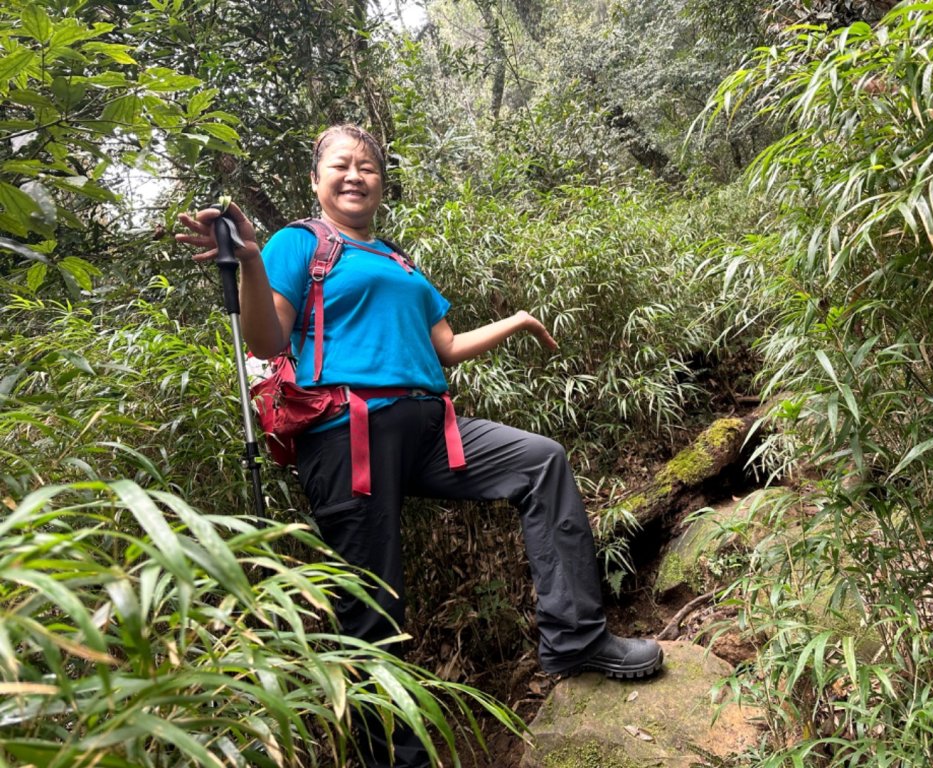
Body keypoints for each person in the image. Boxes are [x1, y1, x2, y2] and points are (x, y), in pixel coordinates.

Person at [177, 124, 663, 767]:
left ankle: (575, 640)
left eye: (368, 166)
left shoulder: (400, 261)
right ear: (316, 180)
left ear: (382, 181)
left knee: (541, 461)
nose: (355, 175)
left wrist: (516, 320)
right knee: (373, 604)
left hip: (433, 429)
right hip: (348, 435)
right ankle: (391, 760)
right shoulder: (300, 243)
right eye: (341, 165)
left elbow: (447, 347)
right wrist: (253, 262)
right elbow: (268, 344)